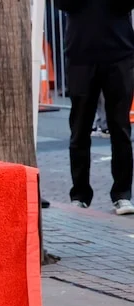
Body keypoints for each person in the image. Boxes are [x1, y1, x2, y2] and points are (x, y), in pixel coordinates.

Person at [59, 0, 134, 215]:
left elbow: (124, 5)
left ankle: (122, 195)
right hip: (80, 54)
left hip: (119, 53)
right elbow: (63, 4)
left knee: (120, 128)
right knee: (80, 128)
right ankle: (80, 194)